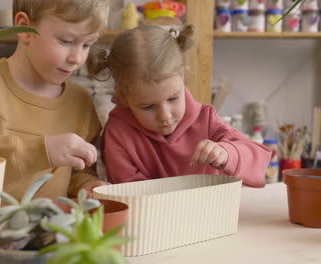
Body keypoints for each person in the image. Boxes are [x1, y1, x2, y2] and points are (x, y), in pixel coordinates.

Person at [0, 0, 110, 199]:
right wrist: (42, 152)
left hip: (54, 228)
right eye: (66, 41)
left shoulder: (81, 102)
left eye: (87, 45)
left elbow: (79, 171)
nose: (77, 58)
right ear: (24, 28)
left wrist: (86, 185)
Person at [86, 25, 273, 187]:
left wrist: (227, 152)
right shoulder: (118, 133)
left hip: (213, 219)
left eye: (173, 98)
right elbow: (129, 195)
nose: (165, 115)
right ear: (122, 97)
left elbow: (258, 160)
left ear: (182, 76)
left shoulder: (205, 118)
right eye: (148, 107)